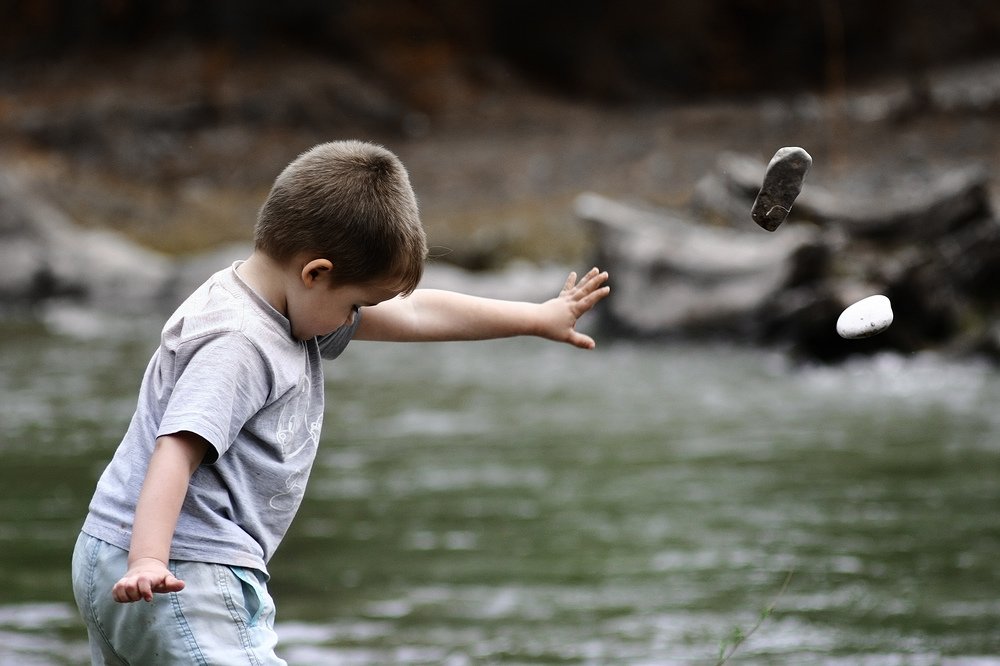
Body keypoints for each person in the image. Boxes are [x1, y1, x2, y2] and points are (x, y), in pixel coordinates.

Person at [71, 140, 610, 665]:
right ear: (316, 273)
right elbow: (176, 448)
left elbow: (417, 313)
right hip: (181, 570)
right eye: (356, 305)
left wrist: (536, 317)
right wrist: (148, 559)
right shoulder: (240, 340)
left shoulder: (277, 301)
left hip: (116, 558)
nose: (356, 319)